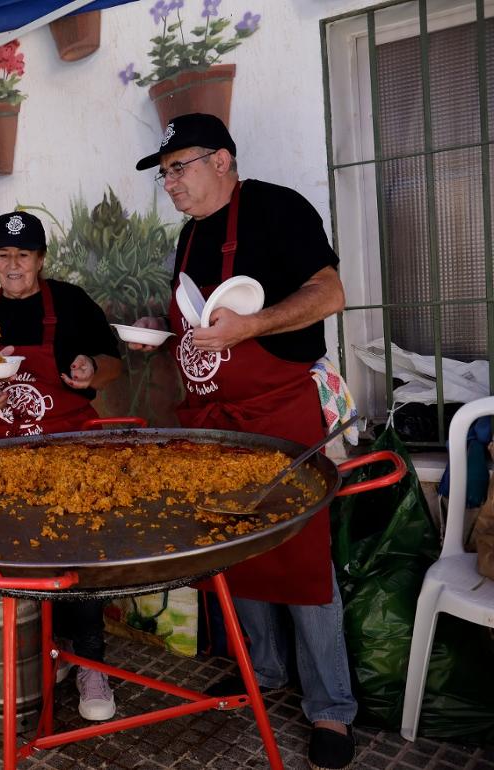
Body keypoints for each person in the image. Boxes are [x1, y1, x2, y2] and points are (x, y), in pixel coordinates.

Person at [130, 113, 354, 770]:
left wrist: (253, 326)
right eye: (164, 172)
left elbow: (329, 293)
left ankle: (330, 710)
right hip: (215, 422)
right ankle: (264, 671)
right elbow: (200, 326)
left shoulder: (280, 210)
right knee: (237, 549)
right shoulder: (189, 238)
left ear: (221, 161)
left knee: (303, 559)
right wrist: (159, 328)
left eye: (178, 167)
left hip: (280, 413)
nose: (169, 182)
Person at [0, 210, 123, 722]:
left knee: (79, 560)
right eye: (3, 255)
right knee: (17, 557)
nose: (13, 265)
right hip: (3, 460)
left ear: (41, 259)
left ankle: (90, 663)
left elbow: (112, 363)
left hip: (70, 458)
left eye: (23, 255)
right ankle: (41, 654)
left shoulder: (70, 303)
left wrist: (90, 370)